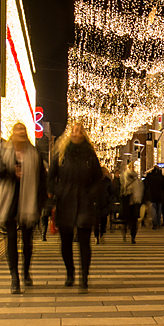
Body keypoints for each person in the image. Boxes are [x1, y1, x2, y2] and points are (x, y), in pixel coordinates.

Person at [0, 122, 46, 294]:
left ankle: (26, 271)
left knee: (27, 241)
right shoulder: (3, 150)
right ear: (12, 133)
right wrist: (10, 172)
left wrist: (42, 202)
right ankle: (14, 277)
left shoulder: (34, 153)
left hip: (29, 201)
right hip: (10, 201)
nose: (20, 132)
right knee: (12, 240)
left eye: (23, 130)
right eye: (17, 130)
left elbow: (42, 179)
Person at [49, 122, 103, 292]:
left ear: (83, 135)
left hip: (85, 203)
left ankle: (84, 278)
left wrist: (91, 194)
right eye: (73, 130)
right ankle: (70, 272)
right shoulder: (61, 154)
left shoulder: (89, 155)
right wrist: (59, 191)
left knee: (84, 242)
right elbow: (50, 178)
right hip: (65, 202)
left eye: (79, 131)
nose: (76, 133)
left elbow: (98, 178)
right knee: (66, 242)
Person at [120, 164, 143, 243]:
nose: (133, 168)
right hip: (128, 200)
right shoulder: (125, 177)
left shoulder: (136, 178)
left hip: (133, 201)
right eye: (132, 167)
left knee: (133, 220)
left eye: (134, 167)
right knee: (129, 219)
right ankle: (127, 234)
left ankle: (132, 236)